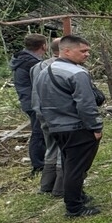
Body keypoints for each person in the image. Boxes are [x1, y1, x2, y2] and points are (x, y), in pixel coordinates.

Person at [35, 34, 104, 217]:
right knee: (77, 168)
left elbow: (40, 101)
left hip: (56, 127)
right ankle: (74, 208)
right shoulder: (77, 73)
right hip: (77, 128)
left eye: (88, 50)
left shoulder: (45, 71)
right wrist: (96, 127)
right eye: (82, 51)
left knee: (68, 163)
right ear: (66, 51)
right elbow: (86, 105)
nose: (87, 54)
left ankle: (77, 195)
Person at [10, 34, 48, 174]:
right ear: (44, 46)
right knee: (38, 132)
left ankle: (42, 161)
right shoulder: (32, 63)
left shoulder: (24, 59)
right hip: (33, 101)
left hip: (29, 100)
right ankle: (38, 165)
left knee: (40, 131)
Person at [31, 38, 63, 197]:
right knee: (64, 150)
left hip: (40, 112)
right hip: (57, 114)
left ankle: (46, 185)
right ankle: (60, 188)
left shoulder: (37, 66)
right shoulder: (61, 67)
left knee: (51, 146)